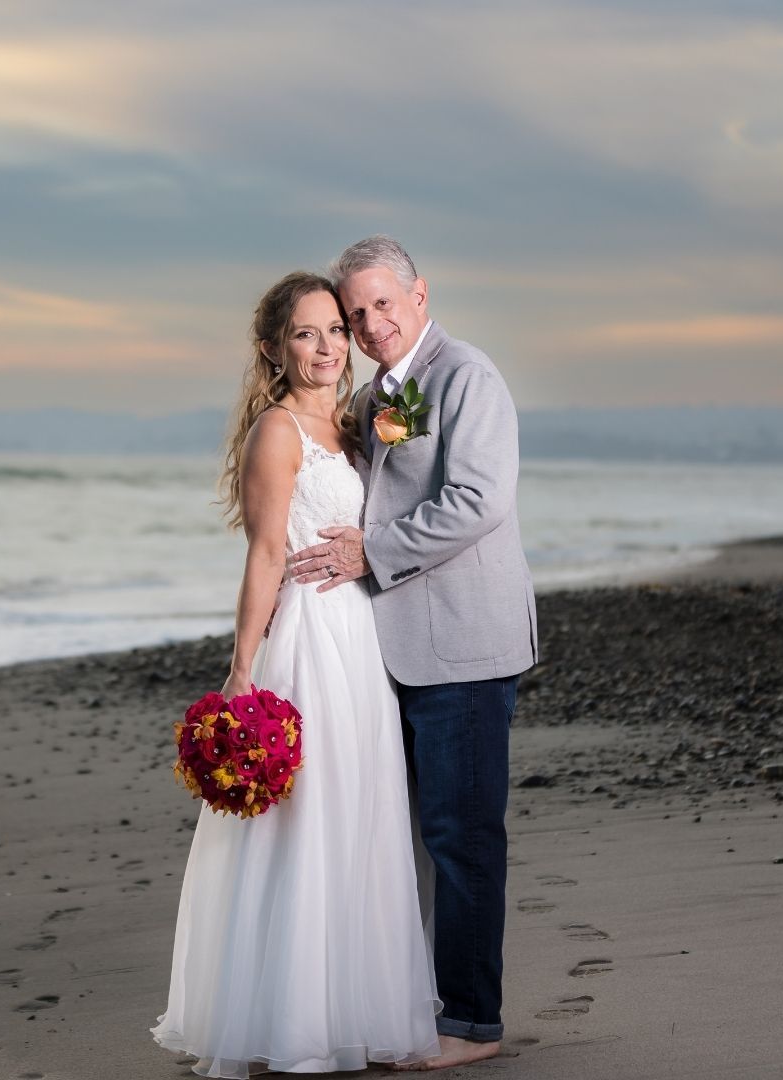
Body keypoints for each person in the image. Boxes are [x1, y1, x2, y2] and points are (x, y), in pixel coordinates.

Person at [151, 271, 441, 1077]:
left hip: (362, 639)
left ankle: (355, 1010)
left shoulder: (359, 424)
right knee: (304, 823)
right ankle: (291, 1018)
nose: (327, 347)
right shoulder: (278, 432)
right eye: (308, 334)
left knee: (362, 814)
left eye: (336, 331)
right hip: (310, 637)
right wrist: (243, 667)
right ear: (275, 349)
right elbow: (268, 555)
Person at [289, 237, 538, 1071]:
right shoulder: (378, 398)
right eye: (354, 314)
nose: (368, 325)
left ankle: (472, 1023)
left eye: (381, 305)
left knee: (462, 838)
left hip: (463, 646)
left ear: (420, 296)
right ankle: (410, 1005)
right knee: (404, 839)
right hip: (393, 653)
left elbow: (478, 500)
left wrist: (371, 552)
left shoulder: (467, 377)